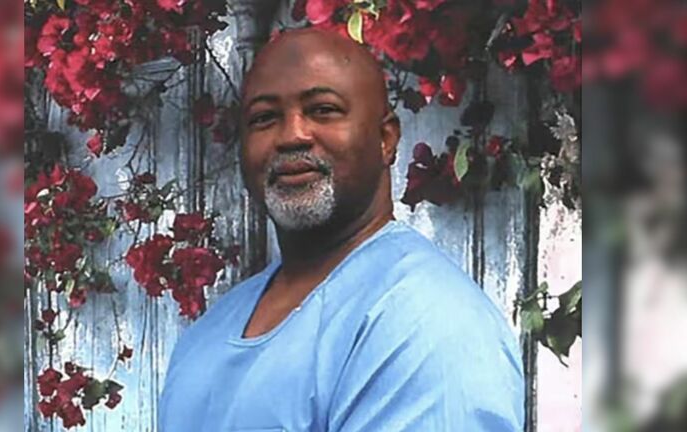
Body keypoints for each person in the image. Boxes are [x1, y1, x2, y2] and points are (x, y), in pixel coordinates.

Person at [158, 28, 524, 431]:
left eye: (323, 110)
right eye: (264, 118)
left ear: (385, 139)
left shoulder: (428, 320)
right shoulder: (208, 334)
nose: (292, 135)